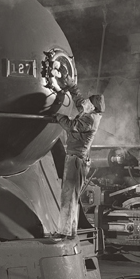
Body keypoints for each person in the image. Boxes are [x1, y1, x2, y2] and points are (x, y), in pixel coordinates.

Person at [52, 75, 105, 239]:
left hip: (76, 160)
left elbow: (71, 126)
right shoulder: (90, 113)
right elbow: (80, 102)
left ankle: (64, 232)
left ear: (93, 107)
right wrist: (72, 86)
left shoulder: (90, 119)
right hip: (77, 159)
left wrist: (56, 115)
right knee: (72, 196)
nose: (85, 104)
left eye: (89, 103)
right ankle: (70, 231)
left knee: (69, 196)